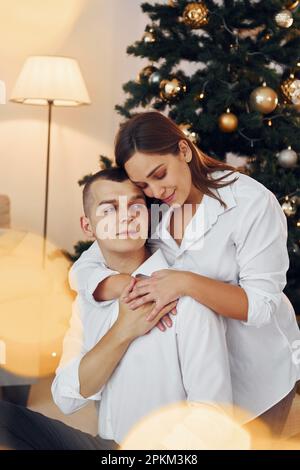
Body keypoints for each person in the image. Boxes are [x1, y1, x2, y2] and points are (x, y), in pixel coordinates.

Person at [70, 111, 300, 437]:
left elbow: (261, 306)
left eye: (159, 174)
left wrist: (185, 282)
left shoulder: (251, 204)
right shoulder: (152, 205)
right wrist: (128, 287)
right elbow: (86, 265)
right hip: (194, 379)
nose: (155, 190)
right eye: (142, 184)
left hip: (257, 375)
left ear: (184, 150)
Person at [0, 167, 232, 449]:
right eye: (109, 210)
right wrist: (122, 331)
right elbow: (66, 396)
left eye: (135, 205)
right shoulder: (89, 298)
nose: (125, 216)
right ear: (88, 226)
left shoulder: (185, 299)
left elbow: (213, 418)